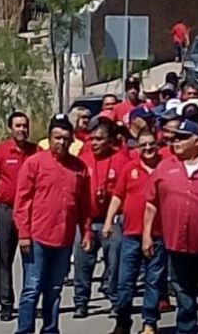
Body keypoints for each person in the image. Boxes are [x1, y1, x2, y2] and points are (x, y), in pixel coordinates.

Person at [144, 120, 198, 334]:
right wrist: (147, 234)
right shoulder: (165, 166)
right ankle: (186, 328)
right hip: (176, 242)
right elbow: (151, 202)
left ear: (196, 140)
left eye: (182, 137)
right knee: (182, 290)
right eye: (174, 137)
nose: (176, 142)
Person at [13, 114, 92, 334]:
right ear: (49, 139)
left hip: (64, 240)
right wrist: (24, 234)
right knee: (32, 288)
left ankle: (50, 329)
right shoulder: (34, 164)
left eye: (66, 138)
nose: (62, 143)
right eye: (57, 138)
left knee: (54, 289)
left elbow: (84, 205)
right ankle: (24, 330)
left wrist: (86, 233)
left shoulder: (79, 168)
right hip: (37, 238)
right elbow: (22, 202)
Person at [104, 130, 167, 334]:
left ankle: (149, 323)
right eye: (143, 145)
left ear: (157, 145)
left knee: (153, 281)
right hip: (131, 234)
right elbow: (118, 196)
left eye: (151, 144)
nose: (147, 148)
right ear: (137, 148)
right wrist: (108, 222)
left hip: (158, 235)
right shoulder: (129, 168)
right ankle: (122, 322)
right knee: (125, 282)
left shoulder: (165, 167)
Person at [0, 112, 38, 322]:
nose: (22, 129)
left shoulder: (36, 152)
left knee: (31, 261)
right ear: (9, 128)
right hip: (6, 211)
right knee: (5, 260)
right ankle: (6, 304)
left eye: (25, 126)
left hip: (29, 213)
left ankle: (28, 303)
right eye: (18, 126)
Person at [74, 119, 130, 317]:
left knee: (114, 260)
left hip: (111, 220)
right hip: (87, 220)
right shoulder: (83, 159)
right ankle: (81, 302)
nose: (95, 143)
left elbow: (125, 193)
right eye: (92, 139)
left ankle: (115, 300)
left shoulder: (121, 160)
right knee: (82, 262)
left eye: (100, 139)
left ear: (110, 141)